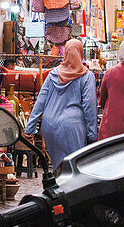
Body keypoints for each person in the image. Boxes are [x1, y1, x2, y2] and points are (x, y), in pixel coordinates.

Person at [24, 39, 97, 168]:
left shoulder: (53, 74)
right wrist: (92, 134)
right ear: (81, 53)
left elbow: (40, 102)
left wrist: (29, 129)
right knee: (73, 169)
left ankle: (58, 187)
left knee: (58, 167)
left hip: (49, 126)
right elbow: (89, 107)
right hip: (73, 127)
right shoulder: (86, 76)